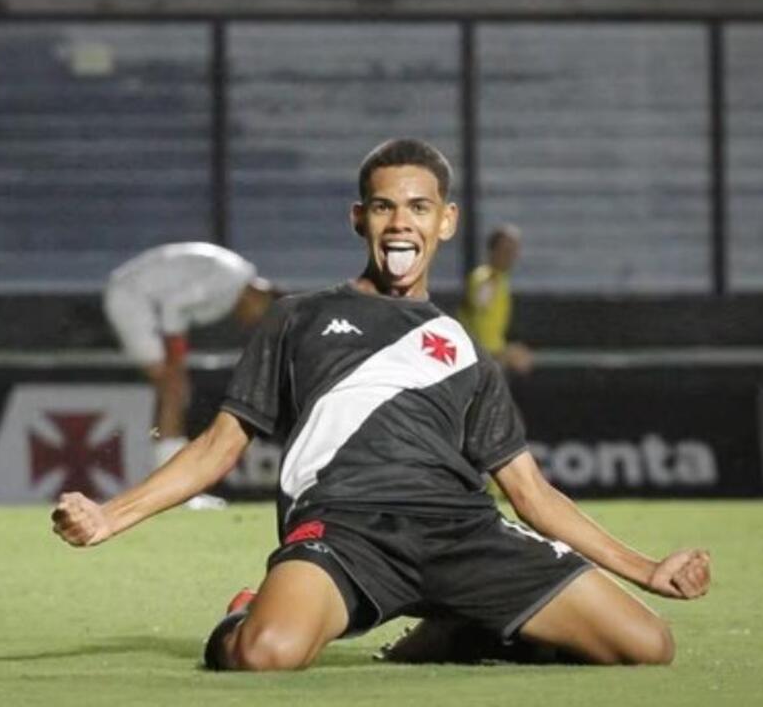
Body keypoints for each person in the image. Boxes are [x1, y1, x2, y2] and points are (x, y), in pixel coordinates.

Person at [55, 138, 710, 671]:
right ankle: (250, 608)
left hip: (464, 535)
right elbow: (218, 446)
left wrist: (649, 570)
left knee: (647, 646)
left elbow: (532, 495)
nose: (401, 223)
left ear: (445, 221)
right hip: (346, 532)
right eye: (384, 207)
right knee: (264, 654)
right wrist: (110, 517)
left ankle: (454, 626)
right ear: (359, 218)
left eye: (420, 208)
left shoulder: (465, 350)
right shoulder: (296, 318)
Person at [103, 242, 277, 467]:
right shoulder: (229, 278)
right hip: (133, 300)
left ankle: (169, 468)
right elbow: (173, 306)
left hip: (144, 303)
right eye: (261, 315)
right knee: (173, 387)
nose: (253, 321)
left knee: (175, 389)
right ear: (260, 295)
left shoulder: (231, 281)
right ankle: (169, 474)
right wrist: (175, 354)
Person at [458, 223, 533, 375]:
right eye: (506, 250)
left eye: (513, 250)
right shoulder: (485, 279)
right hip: (479, 363)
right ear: (493, 250)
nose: (511, 256)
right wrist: (504, 354)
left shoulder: (500, 280)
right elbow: (479, 324)